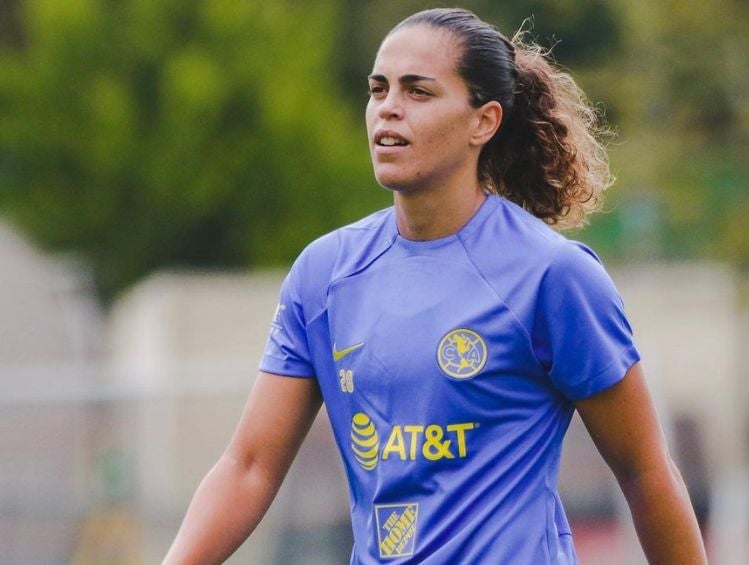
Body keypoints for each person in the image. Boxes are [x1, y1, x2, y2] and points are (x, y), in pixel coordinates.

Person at [164, 7, 707, 564]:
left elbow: (645, 472)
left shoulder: (550, 275)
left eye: (418, 92)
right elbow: (249, 466)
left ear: (483, 121)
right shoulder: (324, 274)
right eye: (379, 90)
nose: (388, 108)